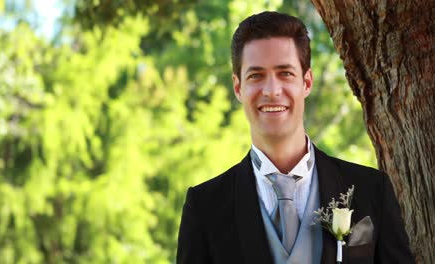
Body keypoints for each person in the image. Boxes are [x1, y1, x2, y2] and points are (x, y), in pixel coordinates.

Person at [177, 11, 414, 264]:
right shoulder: (205, 208)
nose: (271, 90)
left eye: (285, 73)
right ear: (238, 88)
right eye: (256, 75)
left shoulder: (371, 191)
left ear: (307, 82)